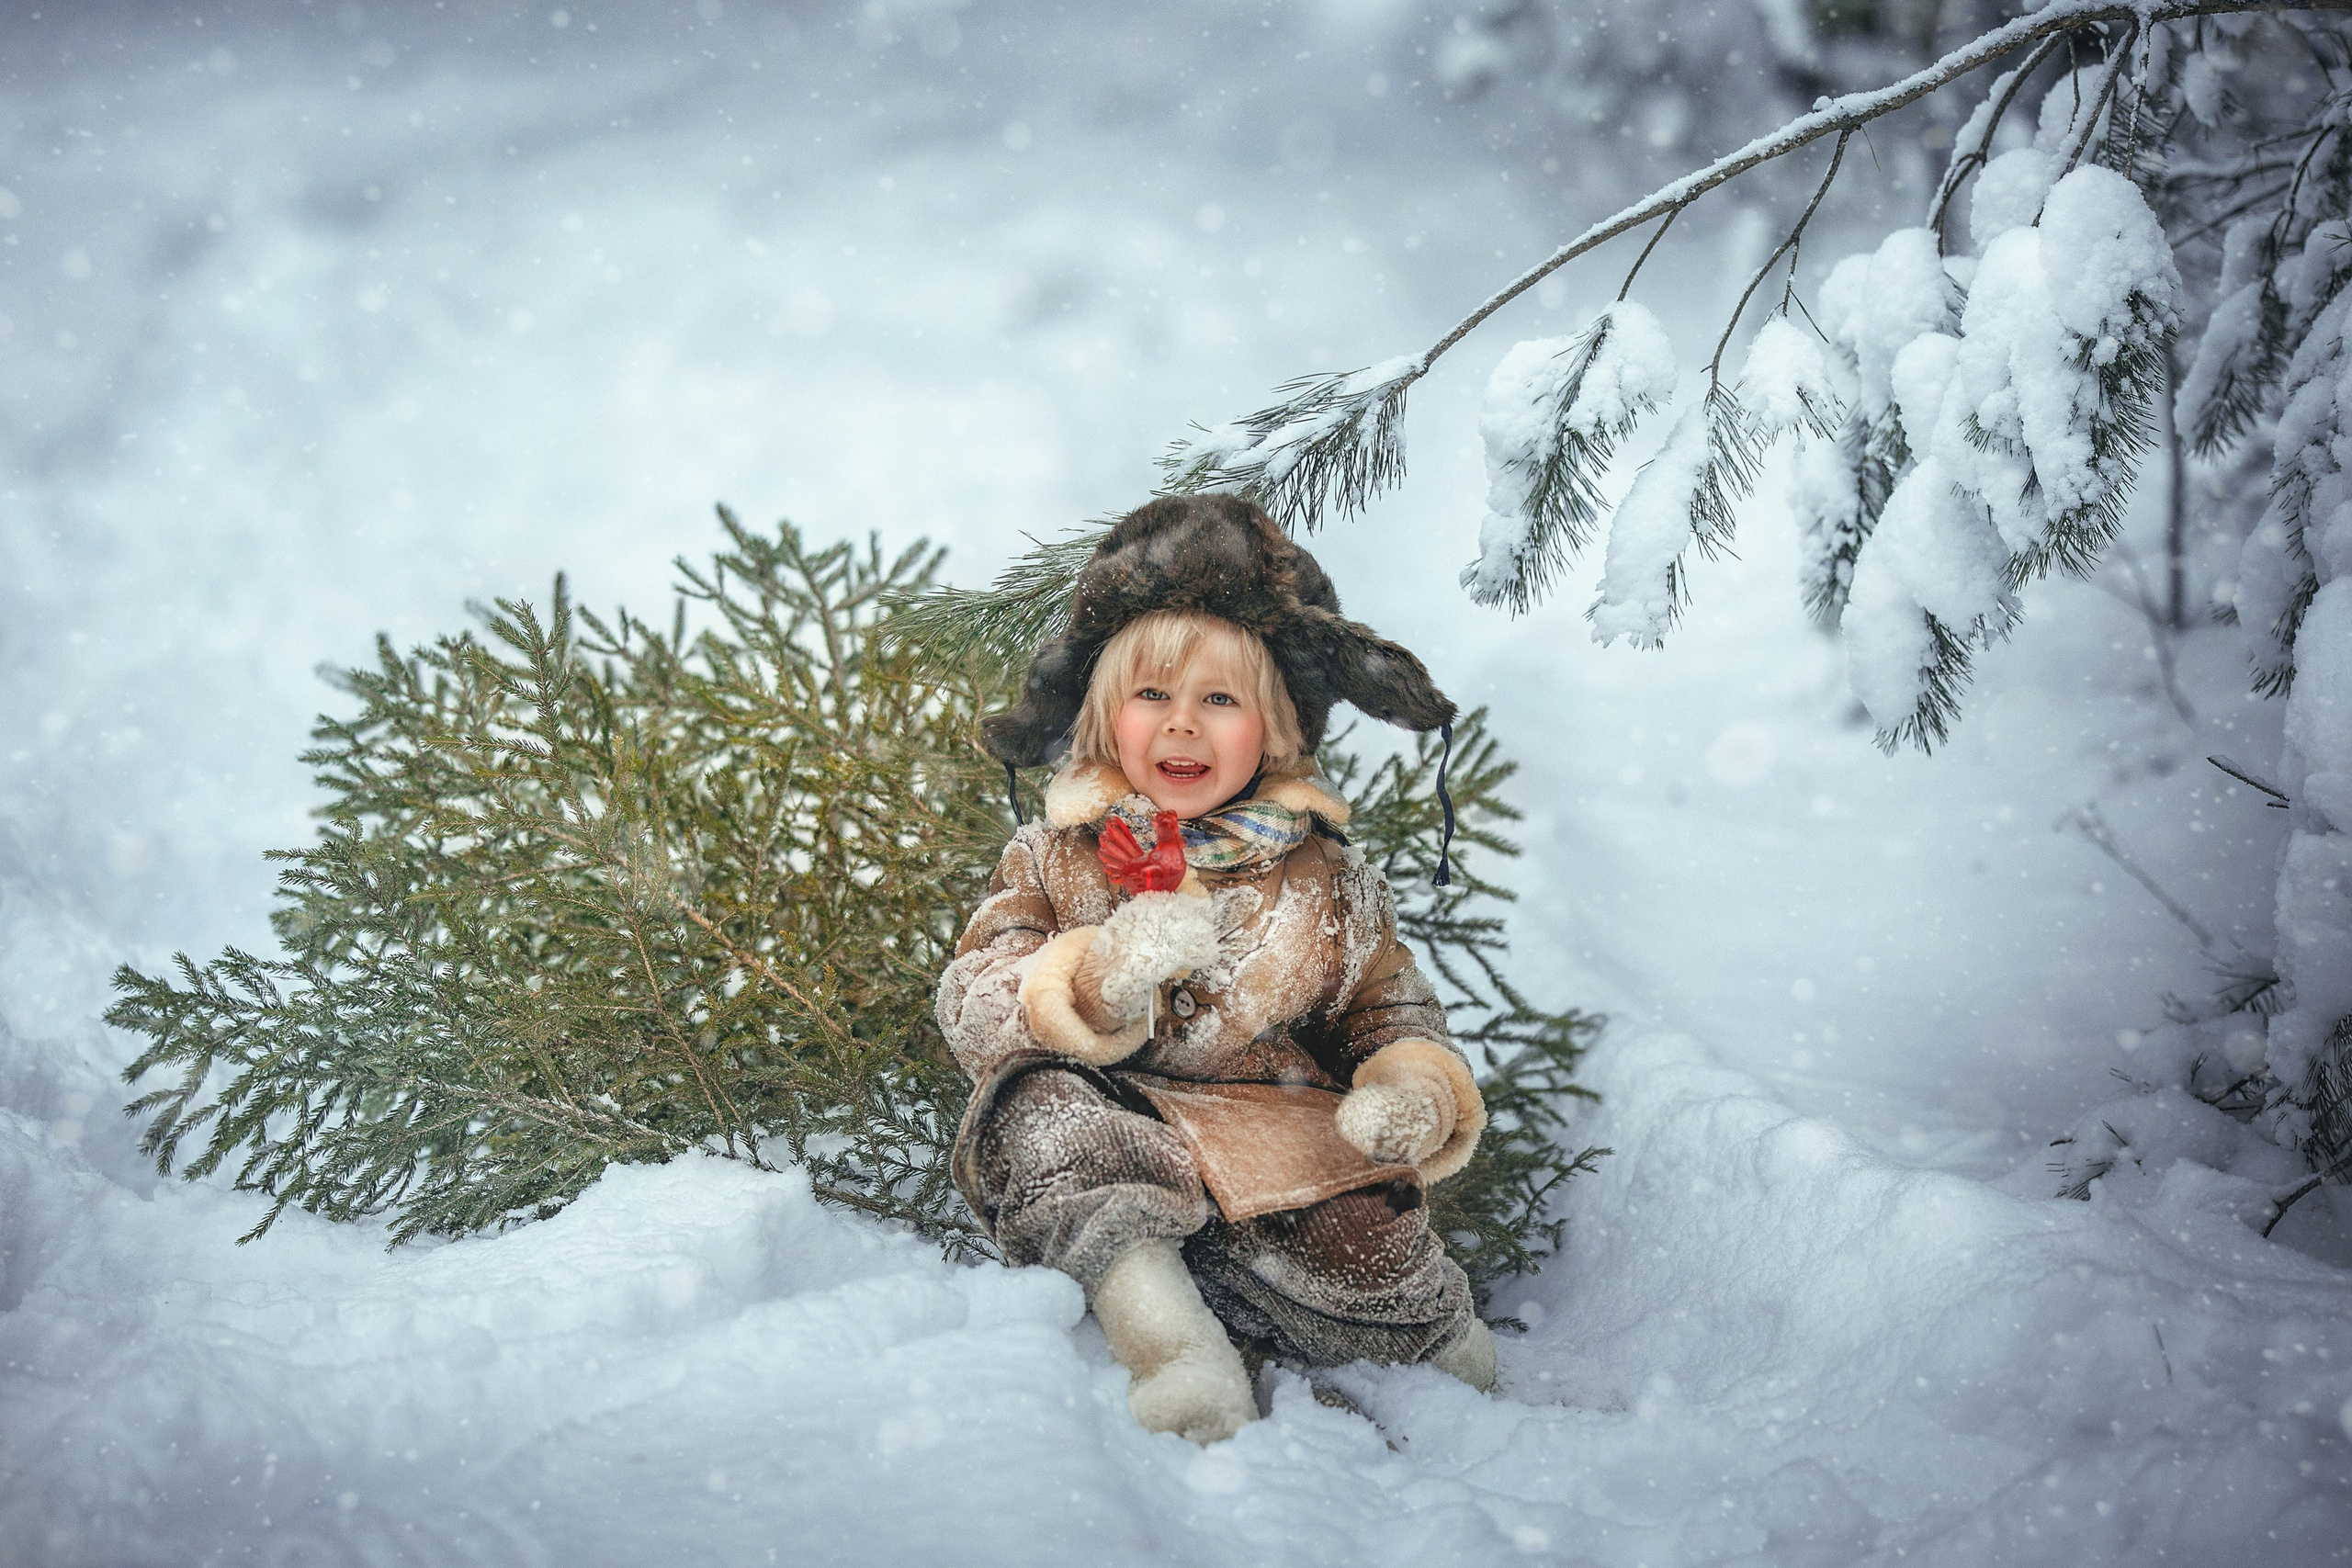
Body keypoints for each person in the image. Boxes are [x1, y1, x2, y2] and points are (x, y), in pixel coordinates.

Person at [936, 493, 1496, 1443]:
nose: (1181, 727)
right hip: (1117, 1122)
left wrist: (1412, 1087)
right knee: (1043, 1118)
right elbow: (977, 984)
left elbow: (1385, 1007)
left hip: (1269, 1136)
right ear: (1104, 720)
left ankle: (1444, 1357)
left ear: (1275, 729)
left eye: (1219, 700)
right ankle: (1171, 1347)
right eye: (1151, 697)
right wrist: (1096, 981)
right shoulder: (1055, 853)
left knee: (1373, 1263)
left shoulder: (1327, 880)